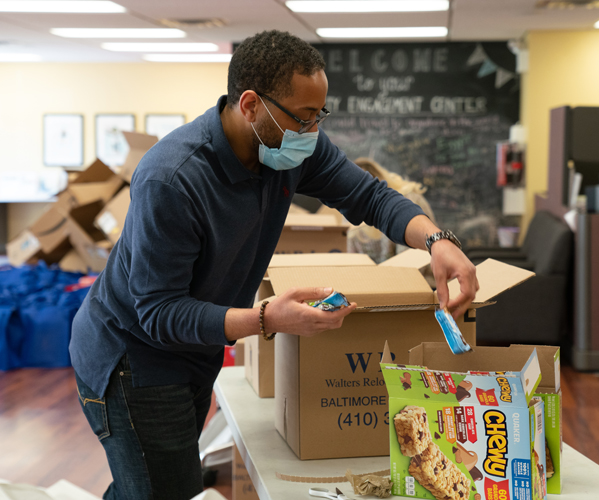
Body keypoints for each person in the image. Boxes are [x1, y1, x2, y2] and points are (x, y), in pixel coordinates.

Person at [69, 30, 478, 500]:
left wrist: (436, 239)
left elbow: (367, 194)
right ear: (249, 105)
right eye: (304, 117)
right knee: (166, 490)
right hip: (132, 357)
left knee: (150, 483)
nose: (313, 132)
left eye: (319, 116)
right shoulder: (173, 179)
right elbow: (159, 313)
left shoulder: (288, 146)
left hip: (192, 348)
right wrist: (266, 318)